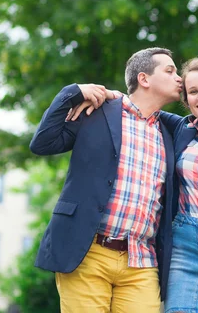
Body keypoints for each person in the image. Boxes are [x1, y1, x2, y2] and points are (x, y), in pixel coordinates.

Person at [70, 57, 198, 313]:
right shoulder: (181, 129)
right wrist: (111, 94)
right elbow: (139, 106)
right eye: (193, 92)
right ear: (187, 100)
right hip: (184, 252)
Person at [29, 47, 182, 313]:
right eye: (170, 71)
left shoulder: (171, 130)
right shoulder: (98, 112)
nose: (179, 78)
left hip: (142, 261)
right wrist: (72, 92)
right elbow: (43, 143)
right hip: (87, 253)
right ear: (144, 79)